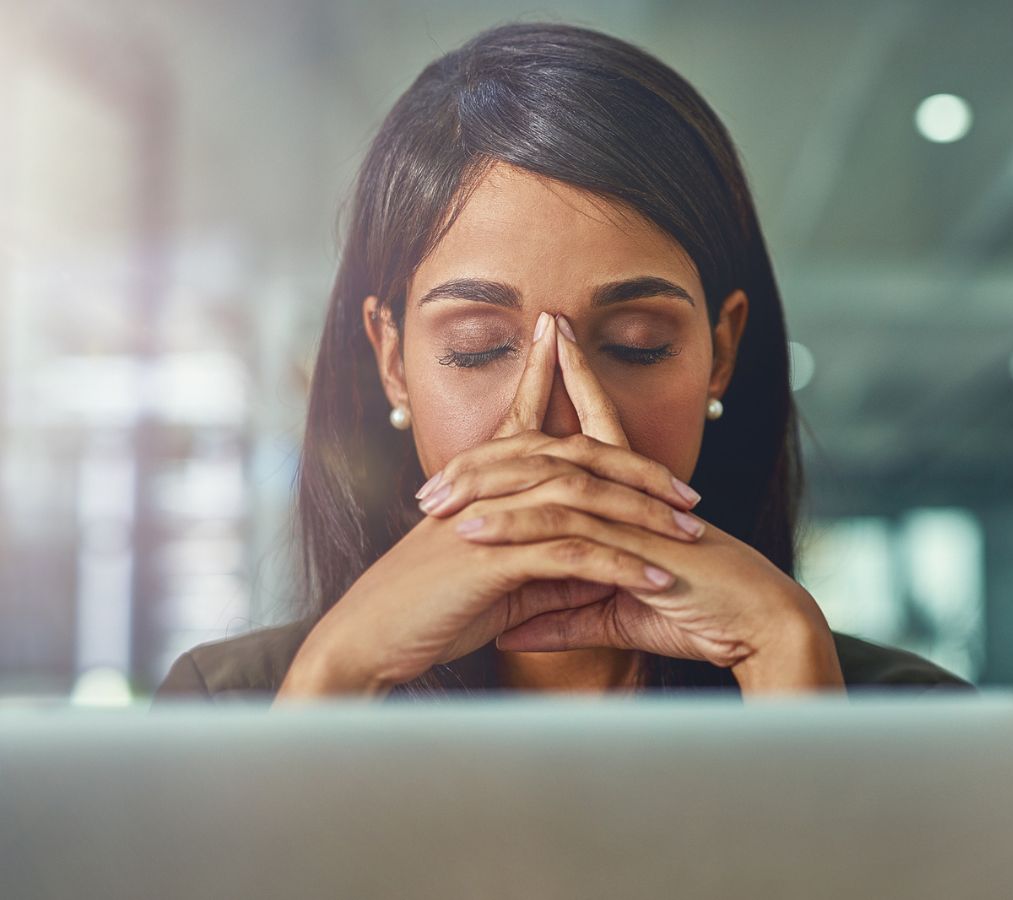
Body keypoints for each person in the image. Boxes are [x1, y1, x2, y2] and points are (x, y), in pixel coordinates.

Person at [155, 21, 968, 703]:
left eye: (636, 345)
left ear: (720, 355)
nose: (559, 418)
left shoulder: (904, 716)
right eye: (478, 348)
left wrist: (788, 663)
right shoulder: (236, 703)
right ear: (394, 362)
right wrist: (338, 677)